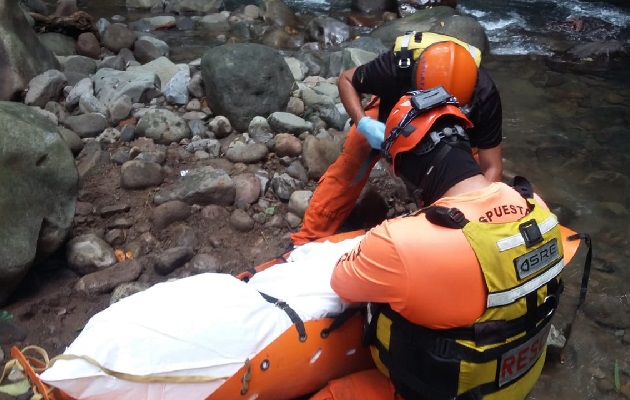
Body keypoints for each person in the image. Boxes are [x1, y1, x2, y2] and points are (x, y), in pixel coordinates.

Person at [310, 88, 567, 400]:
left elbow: (342, 283)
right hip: (519, 384)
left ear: (407, 166)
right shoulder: (535, 205)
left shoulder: (401, 240)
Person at [291, 31, 503, 246]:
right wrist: (364, 124)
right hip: (392, 114)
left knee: (469, 173)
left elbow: (491, 166)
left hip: (452, 132)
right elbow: (346, 80)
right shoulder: (397, 68)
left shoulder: (484, 95)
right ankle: (308, 238)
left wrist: (477, 209)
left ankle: (453, 231)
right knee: (356, 153)